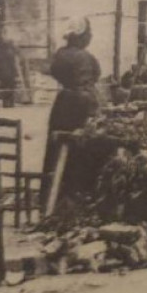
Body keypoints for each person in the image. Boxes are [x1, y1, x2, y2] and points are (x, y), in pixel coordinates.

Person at [44, 17, 102, 195]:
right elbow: (87, 83)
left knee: (57, 151)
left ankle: (53, 195)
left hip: (62, 105)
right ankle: (78, 196)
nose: (90, 37)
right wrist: (96, 108)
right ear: (80, 36)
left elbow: (55, 72)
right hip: (80, 107)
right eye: (88, 34)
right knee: (82, 150)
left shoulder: (59, 55)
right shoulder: (85, 57)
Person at [0, 34, 24, 108]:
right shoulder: (9, 52)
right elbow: (13, 63)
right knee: (10, 86)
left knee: (5, 87)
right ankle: (10, 102)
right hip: (9, 73)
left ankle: (6, 102)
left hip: (2, 73)